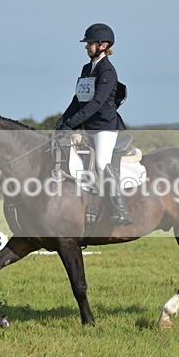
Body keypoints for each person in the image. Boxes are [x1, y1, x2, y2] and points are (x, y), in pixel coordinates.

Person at [56, 23, 131, 226]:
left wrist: (72, 123)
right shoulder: (87, 68)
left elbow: (96, 103)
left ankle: (120, 208)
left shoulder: (108, 72)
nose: (86, 47)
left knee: (101, 163)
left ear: (102, 45)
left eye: (89, 43)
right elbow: (78, 99)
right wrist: (62, 122)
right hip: (88, 126)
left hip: (104, 127)